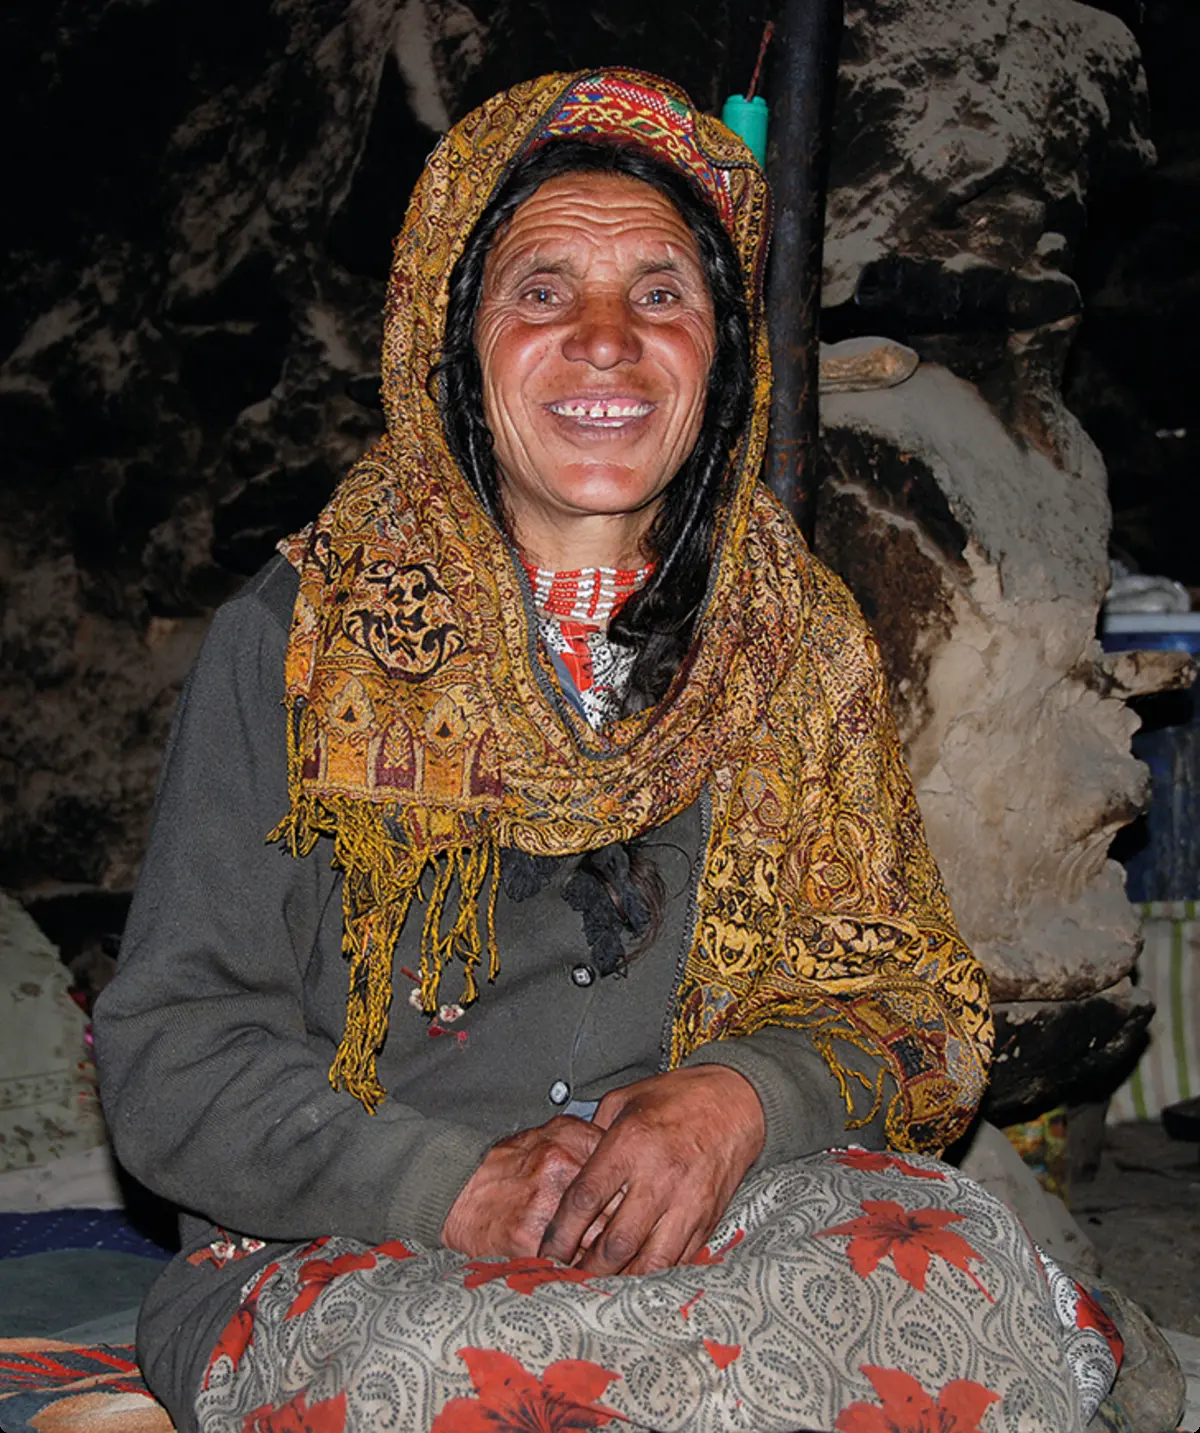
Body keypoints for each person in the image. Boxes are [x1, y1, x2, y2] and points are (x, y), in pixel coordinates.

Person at [95, 68, 1120, 1433]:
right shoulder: (295, 641)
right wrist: (454, 1189)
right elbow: (172, 1050)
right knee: (471, 1386)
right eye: (541, 291)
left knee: (952, 1279)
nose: (603, 340)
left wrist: (735, 1105)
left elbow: (913, 1012)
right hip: (354, 1243)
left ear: (723, 355)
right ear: (450, 343)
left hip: (716, 1224)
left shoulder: (796, 643)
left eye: (659, 294)